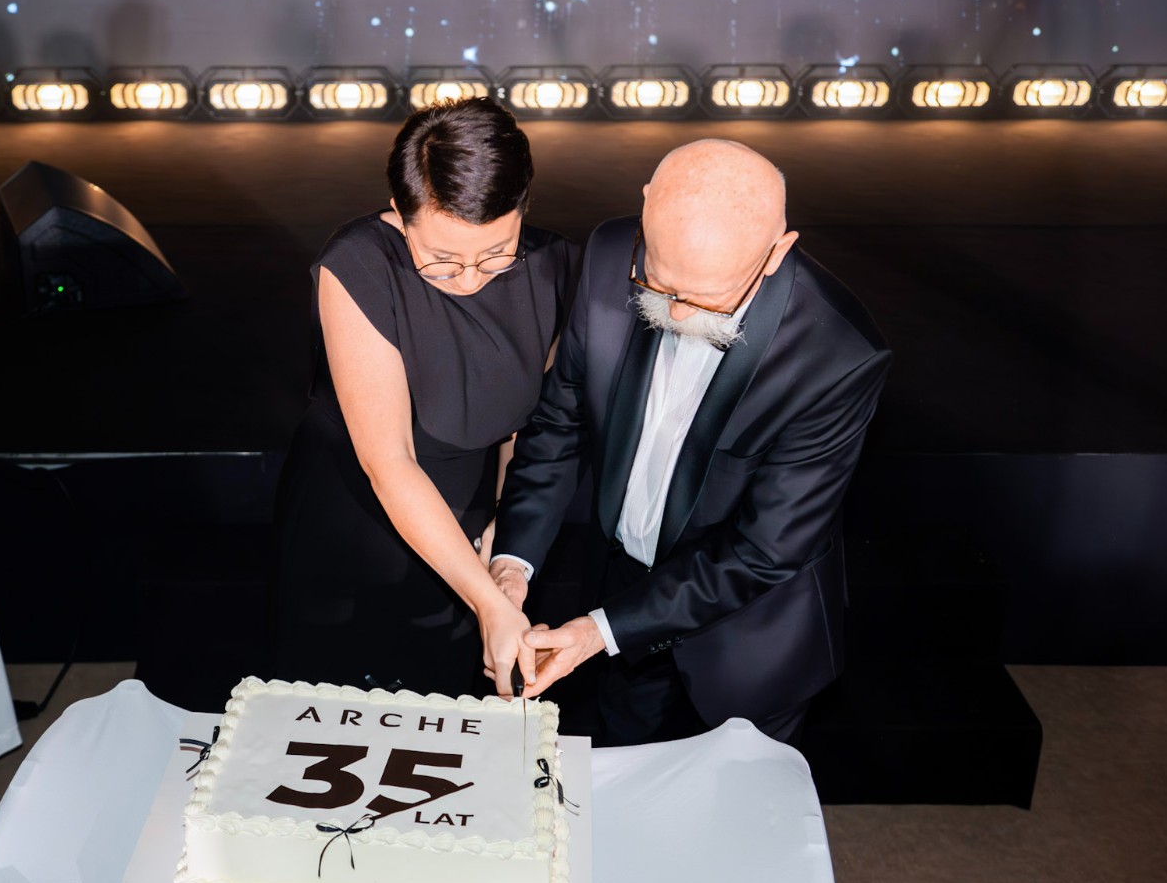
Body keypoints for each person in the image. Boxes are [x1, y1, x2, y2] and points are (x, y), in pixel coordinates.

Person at [488, 139, 891, 744]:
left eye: (706, 300)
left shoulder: (838, 355)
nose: (676, 316)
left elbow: (765, 550)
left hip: (750, 639)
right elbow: (559, 424)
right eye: (658, 283)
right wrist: (511, 565)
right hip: (619, 589)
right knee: (623, 769)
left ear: (777, 252)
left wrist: (600, 631)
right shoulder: (609, 252)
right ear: (646, 208)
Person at [272, 97, 581, 697]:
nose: (470, 278)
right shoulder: (357, 263)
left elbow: (528, 430)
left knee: (449, 701)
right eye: (442, 260)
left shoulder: (554, 266)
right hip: (358, 513)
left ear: (522, 207)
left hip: (472, 504)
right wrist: (485, 599)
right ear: (400, 211)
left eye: (495, 253)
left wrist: (503, 543)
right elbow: (388, 461)